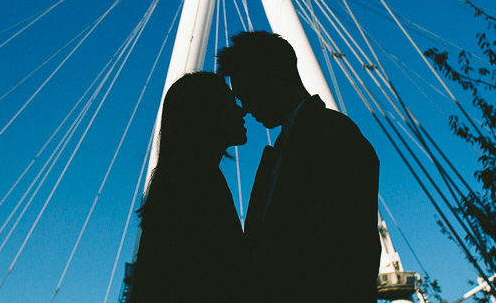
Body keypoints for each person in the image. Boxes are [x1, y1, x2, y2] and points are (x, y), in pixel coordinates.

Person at [217, 31, 380, 303]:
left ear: (272, 76)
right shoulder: (280, 152)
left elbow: (349, 251)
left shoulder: (334, 135)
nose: (243, 107)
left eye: (244, 91)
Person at [129, 71, 248, 303]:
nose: (242, 110)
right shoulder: (198, 186)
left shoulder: (179, 182)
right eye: (231, 102)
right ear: (207, 113)